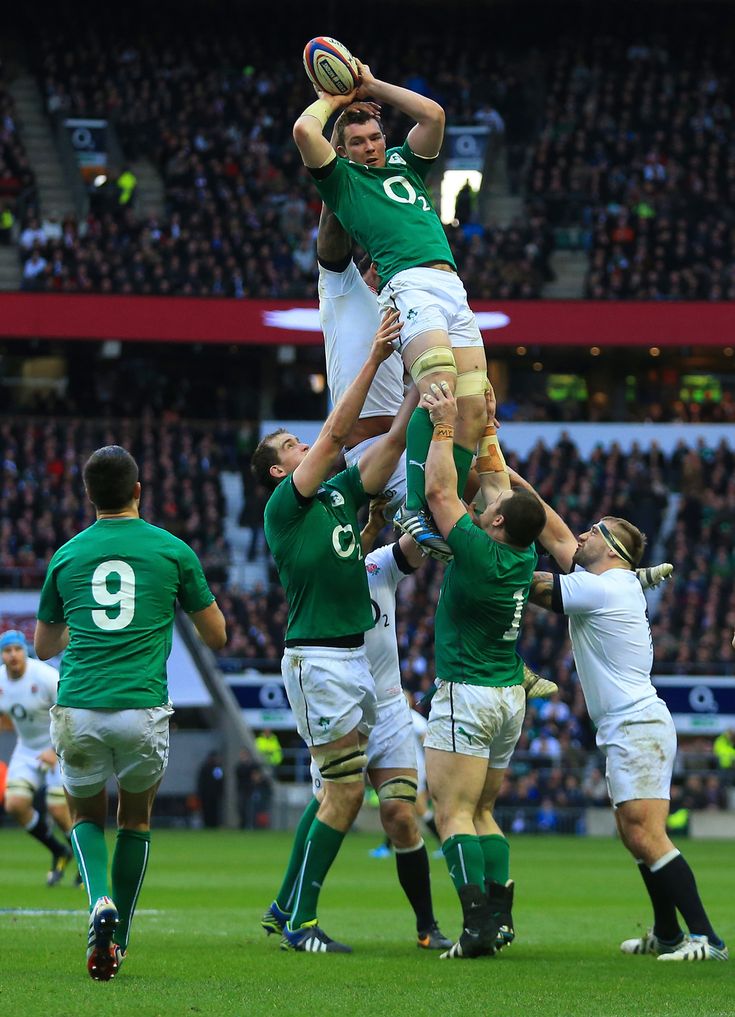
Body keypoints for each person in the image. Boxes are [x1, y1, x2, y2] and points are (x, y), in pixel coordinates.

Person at [516, 472, 728, 963]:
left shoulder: (605, 587)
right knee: (633, 833)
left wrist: (478, 554)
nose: (582, 534)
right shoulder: (610, 580)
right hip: (627, 724)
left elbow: (533, 584)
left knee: (646, 834)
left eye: (593, 530)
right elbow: (553, 529)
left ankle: (705, 939)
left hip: (636, 724)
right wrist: (504, 470)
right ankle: (668, 934)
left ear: (612, 550)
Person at [252, 309, 413, 953]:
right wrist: (375, 356)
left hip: (352, 659)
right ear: (276, 470)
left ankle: (286, 905)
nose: (305, 446)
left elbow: (391, 447)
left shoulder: (342, 495)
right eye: (291, 445)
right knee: (344, 791)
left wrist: (416, 401)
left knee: (333, 792)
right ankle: (302, 922)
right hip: (317, 658)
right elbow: (340, 430)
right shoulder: (285, 506)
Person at [34, 445, 226, 981]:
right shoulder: (171, 550)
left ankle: (98, 902)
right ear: (139, 490)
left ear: (88, 495)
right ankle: (117, 940)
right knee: (134, 819)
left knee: (85, 816)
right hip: (141, 708)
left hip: (79, 707)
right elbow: (217, 635)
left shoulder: (67, 556)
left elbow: (45, 646)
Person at [293, 65, 500, 558]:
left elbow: (433, 115)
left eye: (375, 136)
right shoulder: (342, 182)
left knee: (472, 408)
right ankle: (415, 506)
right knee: (439, 385)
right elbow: (305, 131)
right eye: (359, 141)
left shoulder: (405, 163)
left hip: (453, 286)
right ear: (342, 151)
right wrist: (332, 98)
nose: (371, 146)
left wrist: (368, 84)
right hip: (409, 283)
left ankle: (481, 518)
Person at [263, 500, 451, 950]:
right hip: (338, 697)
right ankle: (293, 911)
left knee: (401, 814)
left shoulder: (378, 564)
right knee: (333, 799)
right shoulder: (312, 573)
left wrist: (439, 499)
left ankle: (427, 927)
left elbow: (420, 544)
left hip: (387, 705)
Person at [420, 381, 547, 960]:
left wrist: (446, 425)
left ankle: (474, 926)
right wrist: (489, 423)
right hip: (507, 700)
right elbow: (498, 486)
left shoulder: (480, 551)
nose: (485, 504)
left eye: (489, 510)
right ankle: (500, 917)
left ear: (494, 526)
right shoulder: (522, 553)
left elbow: (440, 491)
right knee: (485, 810)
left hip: (466, 694)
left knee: (451, 815)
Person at [317, 203, 406, 522]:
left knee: (501, 496)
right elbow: (330, 248)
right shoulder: (346, 287)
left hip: (409, 442)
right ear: (380, 267)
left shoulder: (401, 310)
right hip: (371, 454)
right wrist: (333, 183)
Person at [0, 629, 77, 885]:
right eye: (7, 651)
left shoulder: (45, 676)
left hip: (57, 744)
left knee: (57, 809)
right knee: (14, 805)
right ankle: (59, 851)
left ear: (25, 651)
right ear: (2, 655)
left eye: (17, 650)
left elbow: (70, 710)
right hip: (27, 748)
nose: (13, 656)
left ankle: (82, 860)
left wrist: (55, 748)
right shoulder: (0, 681)